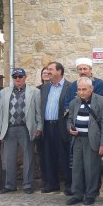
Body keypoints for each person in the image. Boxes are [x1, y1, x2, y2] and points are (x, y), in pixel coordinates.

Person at [66, 77, 103, 206]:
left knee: (91, 169)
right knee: (76, 168)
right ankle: (77, 194)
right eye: (79, 90)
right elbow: (69, 119)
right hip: (77, 140)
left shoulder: (101, 101)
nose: (81, 92)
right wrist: (70, 128)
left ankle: (91, 194)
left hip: (92, 140)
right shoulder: (74, 102)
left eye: (84, 89)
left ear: (91, 89)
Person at [0, 68, 42, 194]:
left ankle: (28, 185)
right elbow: (1, 112)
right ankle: (9, 185)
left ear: (25, 77)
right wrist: (0, 129)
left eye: (20, 76)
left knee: (28, 158)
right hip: (9, 128)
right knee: (8, 159)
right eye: (15, 77)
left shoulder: (34, 92)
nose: (18, 79)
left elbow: (39, 112)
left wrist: (39, 127)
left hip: (26, 128)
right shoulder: (4, 92)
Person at [40, 62, 72, 194]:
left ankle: (69, 184)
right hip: (47, 126)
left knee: (64, 156)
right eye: (47, 69)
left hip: (62, 126)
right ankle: (52, 184)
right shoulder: (45, 88)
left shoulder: (70, 87)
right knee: (49, 156)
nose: (48, 72)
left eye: (51, 69)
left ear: (60, 71)